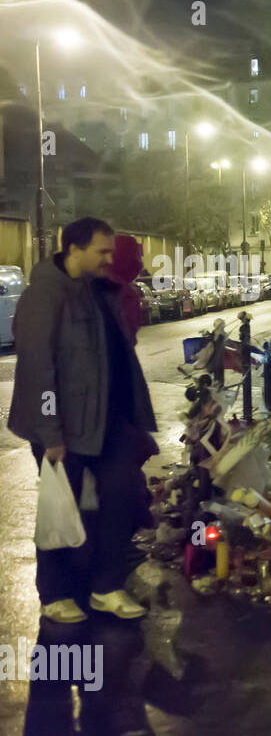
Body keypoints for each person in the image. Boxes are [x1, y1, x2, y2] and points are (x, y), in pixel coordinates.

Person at [7, 217, 159, 623]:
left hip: (106, 423)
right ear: (74, 249)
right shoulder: (45, 296)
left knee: (121, 499)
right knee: (62, 507)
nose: (110, 259)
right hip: (63, 428)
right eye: (102, 251)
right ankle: (54, 594)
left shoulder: (97, 291)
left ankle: (106, 588)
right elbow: (40, 370)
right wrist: (50, 431)